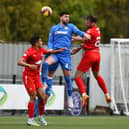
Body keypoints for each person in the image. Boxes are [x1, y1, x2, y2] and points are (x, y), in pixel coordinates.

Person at [41, 12, 88, 110]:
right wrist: (50, 48)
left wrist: (86, 35)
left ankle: (70, 97)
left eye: (68, 17)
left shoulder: (71, 27)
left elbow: (79, 32)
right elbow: (50, 40)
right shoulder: (54, 28)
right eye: (66, 17)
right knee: (45, 64)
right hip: (55, 54)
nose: (67, 18)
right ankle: (44, 83)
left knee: (67, 78)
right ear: (61, 17)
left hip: (65, 55)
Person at [17, 35, 66, 126]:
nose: (42, 42)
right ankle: (30, 119)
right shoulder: (29, 51)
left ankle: (40, 117)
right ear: (36, 43)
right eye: (40, 41)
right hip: (28, 76)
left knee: (43, 97)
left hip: (36, 76)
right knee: (33, 96)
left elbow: (49, 51)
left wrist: (59, 51)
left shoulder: (41, 50)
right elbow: (19, 62)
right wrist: (29, 65)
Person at [72, 15, 111, 108]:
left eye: (88, 22)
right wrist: (79, 47)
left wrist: (72, 37)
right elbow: (88, 42)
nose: (86, 23)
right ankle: (107, 94)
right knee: (97, 76)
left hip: (90, 55)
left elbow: (85, 38)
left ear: (93, 23)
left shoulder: (90, 30)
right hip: (97, 54)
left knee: (77, 76)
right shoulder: (97, 29)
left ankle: (84, 95)